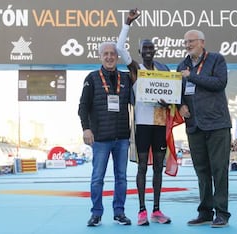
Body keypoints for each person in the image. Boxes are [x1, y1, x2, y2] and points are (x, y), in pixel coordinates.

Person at [116, 9, 179, 226]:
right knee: (142, 166)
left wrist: (169, 102)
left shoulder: (163, 69)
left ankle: (157, 210)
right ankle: (142, 211)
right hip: (142, 124)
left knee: (158, 167)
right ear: (140, 51)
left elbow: (172, 94)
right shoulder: (136, 68)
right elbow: (118, 48)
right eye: (145, 48)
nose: (149, 51)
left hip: (160, 124)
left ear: (155, 50)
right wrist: (127, 23)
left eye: (152, 48)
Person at [177, 29, 232, 228]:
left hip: (217, 124)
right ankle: (205, 212)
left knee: (219, 170)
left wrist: (192, 76)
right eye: (185, 42)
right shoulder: (181, 65)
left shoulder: (217, 60)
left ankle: (222, 213)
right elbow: (177, 92)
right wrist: (179, 105)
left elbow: (219, 83)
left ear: (202, 42)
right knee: (201, 171)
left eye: (191, 41)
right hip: (194, 126)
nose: (188, 45)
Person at [78, 41, 133, 227]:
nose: (109, 57)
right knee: (97, 178)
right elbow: (83, 107)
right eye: (105, 54)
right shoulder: (92, 78)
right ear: (100, 57)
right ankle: (96, 213)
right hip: (100, 138)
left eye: (112, 53)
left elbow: (142, 93)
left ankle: (119, 213)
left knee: (122, 178)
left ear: (117, 57)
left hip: (122, 138)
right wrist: (86, 128)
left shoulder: (126, 78)